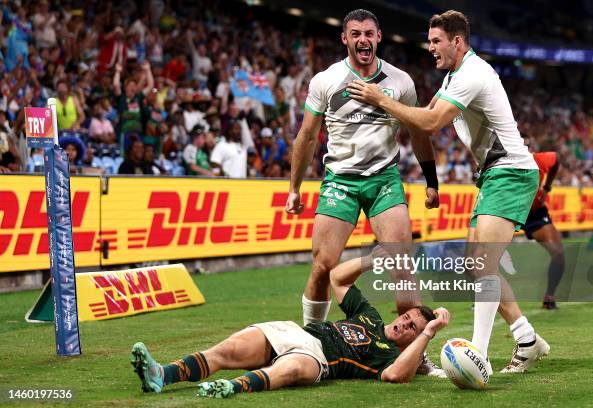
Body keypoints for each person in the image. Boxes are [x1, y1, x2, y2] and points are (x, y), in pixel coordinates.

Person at [347, 10, 550, 374]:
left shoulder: (472, 74)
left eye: (436, 41)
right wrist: (431, 180)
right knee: (478, 265)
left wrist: (381, 99)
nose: (430, 48)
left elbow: (429, 122)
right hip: (493, 174)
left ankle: (479, 356)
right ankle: (527, 338)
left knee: (482, 264)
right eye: (429, 41)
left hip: (512, 171)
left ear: (457, 42)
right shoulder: (456, 75)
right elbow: (422, 117)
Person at [285, 9, 440, 374]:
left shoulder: (399, 81)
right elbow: (307, 136)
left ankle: (418, 355)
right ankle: (310, 338)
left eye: (368, 33)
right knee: (323, 265)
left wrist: (431, 180)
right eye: (355, 34)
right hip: (340, 179)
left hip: (384, 178)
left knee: (402, 263)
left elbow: (418, 131)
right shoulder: (326, 80)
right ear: (345, 39)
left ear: (379, 36)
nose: (362, 40)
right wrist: (294, 188)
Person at [130, 253, 450, 398]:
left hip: (319, 362)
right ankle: (161, 375)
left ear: (413, 341)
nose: (403, 325)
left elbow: (397, 377)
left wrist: (429, 330)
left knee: (290, 369)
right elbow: (337, 277)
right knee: (226, 350)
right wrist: (375, 259)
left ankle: (231, 387)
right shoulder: (370, 315)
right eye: (405, 318)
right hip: (297, 333)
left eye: (411, 328)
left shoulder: (391, 359)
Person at [521, 133, 564, 309]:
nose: (525, 150)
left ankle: (549, 296)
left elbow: (556, 159)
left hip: (535, 214)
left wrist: (547, 187)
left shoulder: (538, 160)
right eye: (521, 146)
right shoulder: (501, 164)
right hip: (506, 212)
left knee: (559, 255)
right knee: (486, 256)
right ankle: (480, 300)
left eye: (528, 146)